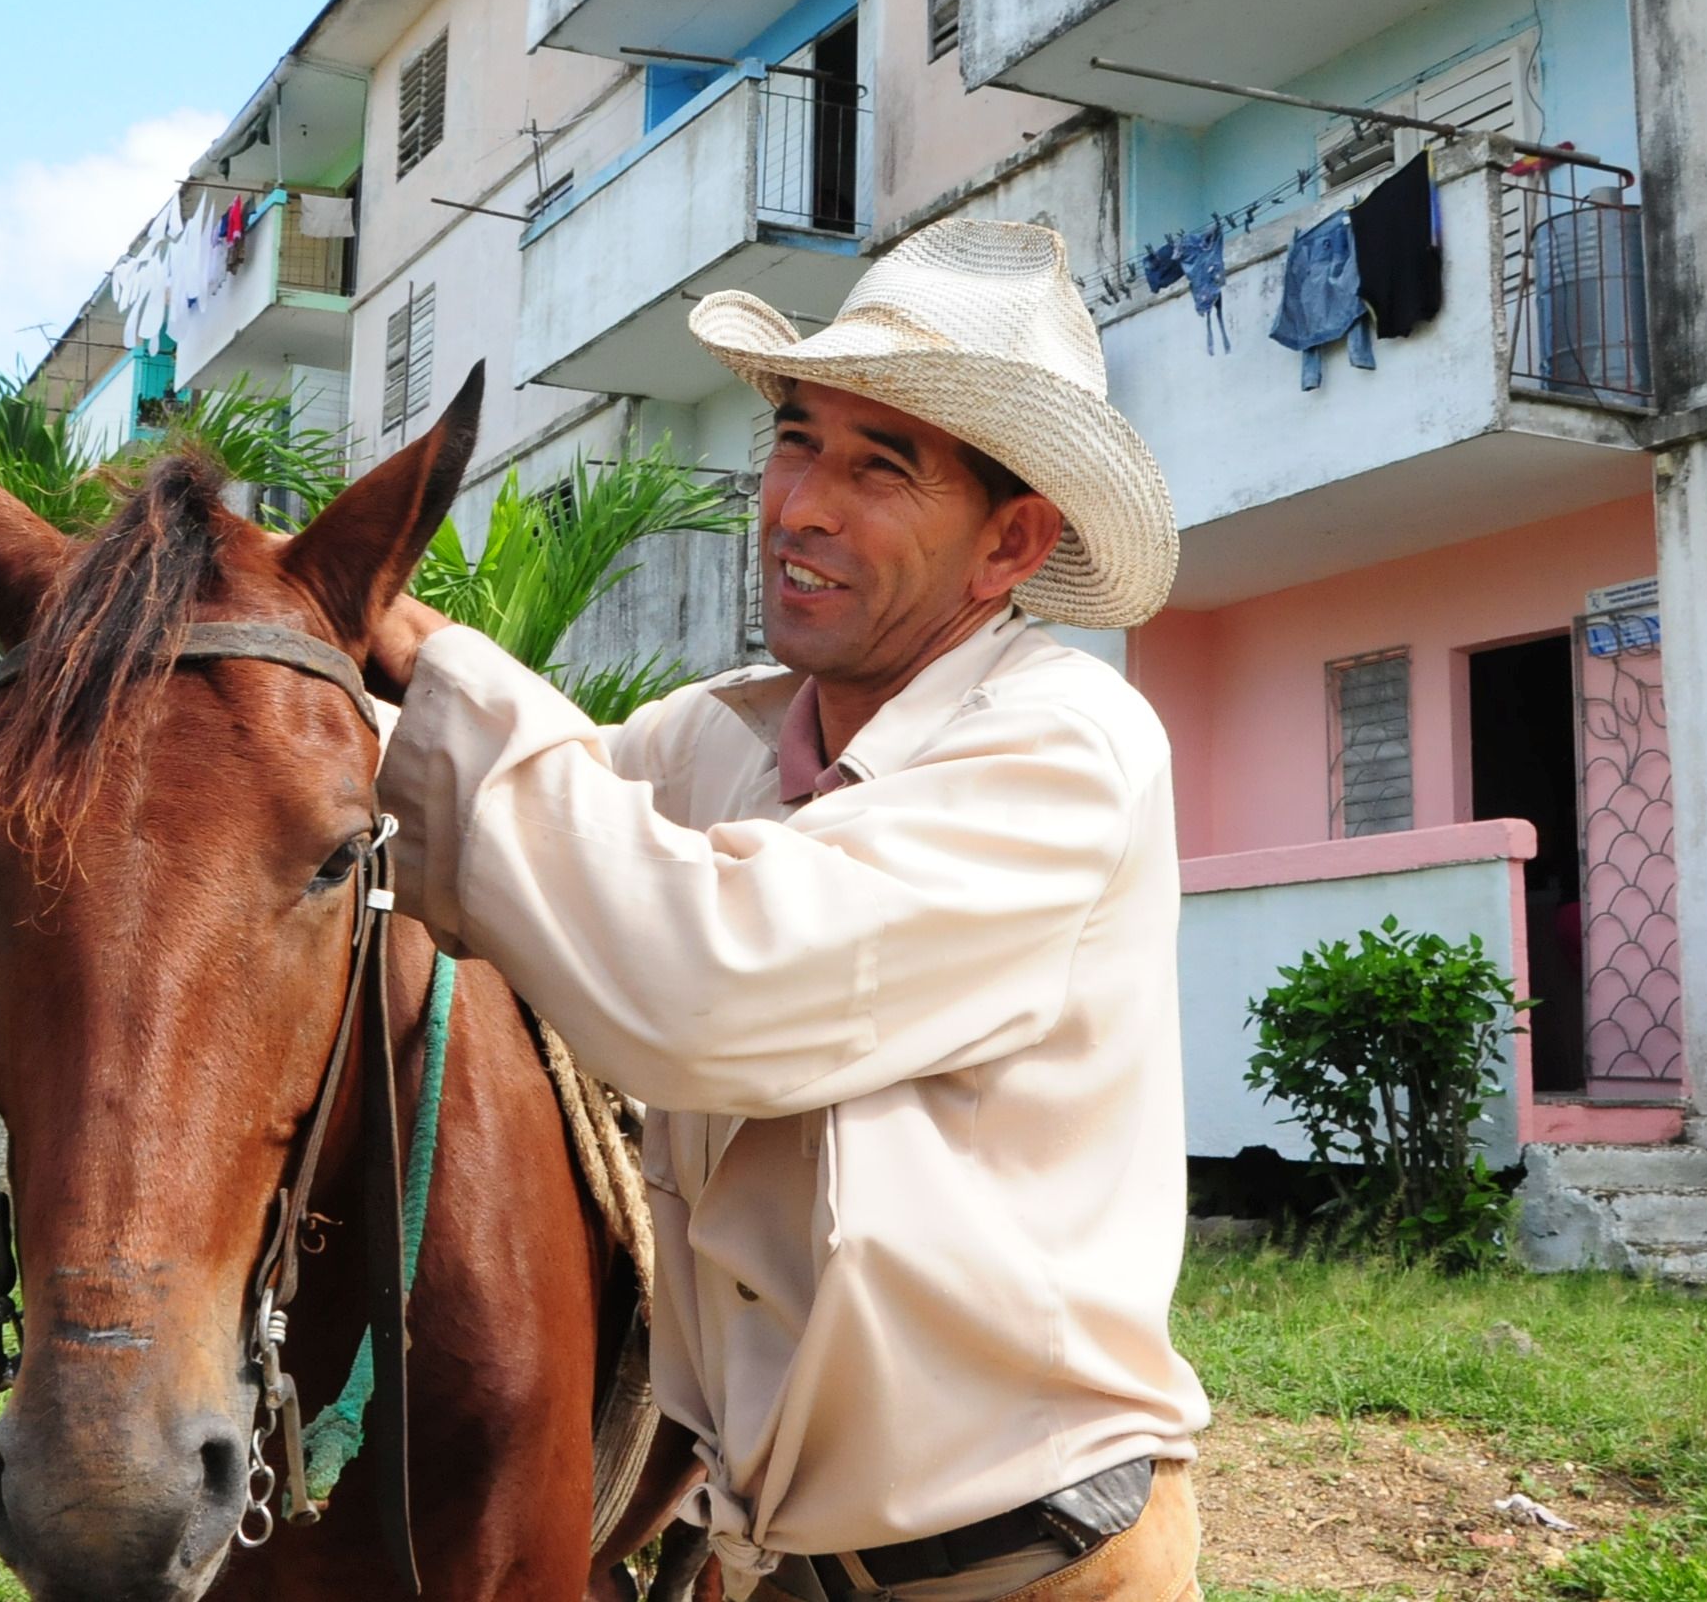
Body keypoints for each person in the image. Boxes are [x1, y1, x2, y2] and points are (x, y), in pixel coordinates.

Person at [371, 220, 1208, 1602]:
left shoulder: (1064, 748)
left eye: (884, 467)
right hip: (774, 1564)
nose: (803, 504)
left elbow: (703, 981)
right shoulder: (722, 741)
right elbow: (526, 831)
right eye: (798, 440)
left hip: (1033, 1570)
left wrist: (432, 654)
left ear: (1013, 543)